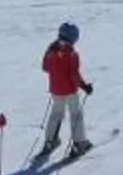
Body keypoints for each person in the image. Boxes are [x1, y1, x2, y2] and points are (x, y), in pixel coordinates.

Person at [39, 24, 94, 159]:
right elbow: (73, 74)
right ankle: (79, 143)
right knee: (76, 115)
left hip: (55, 89)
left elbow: (45, 67)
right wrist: (84, 86)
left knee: (56, 114)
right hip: (69, 90)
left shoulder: (51, 49)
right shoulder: (71, 53)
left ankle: (50, 141)